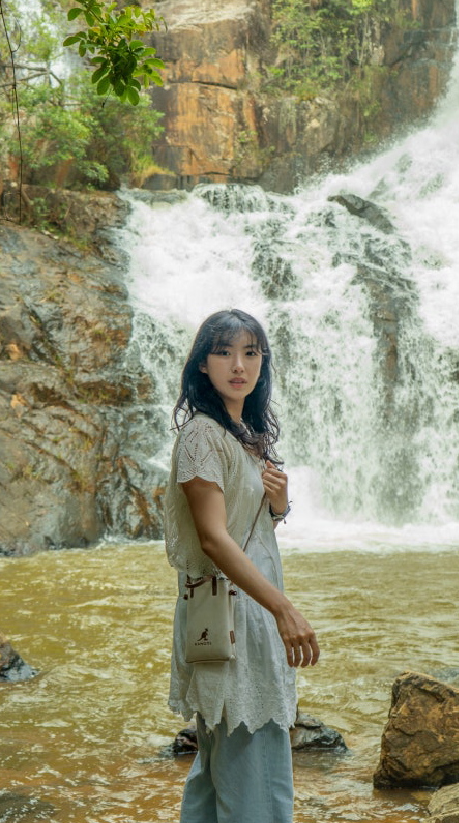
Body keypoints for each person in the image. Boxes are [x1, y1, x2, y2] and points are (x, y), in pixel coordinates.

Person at [164, 308, 320, 823]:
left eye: (250, 353)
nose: (239, 365)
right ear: (202, 364)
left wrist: (278, 505)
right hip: (232, 615)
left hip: (243, 612)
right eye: (224, 352)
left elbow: (242, 531)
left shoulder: (240, 434)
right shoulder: (202, 436)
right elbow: (213, 539)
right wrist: (283, 609)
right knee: (253, 768)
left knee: (220, 770)